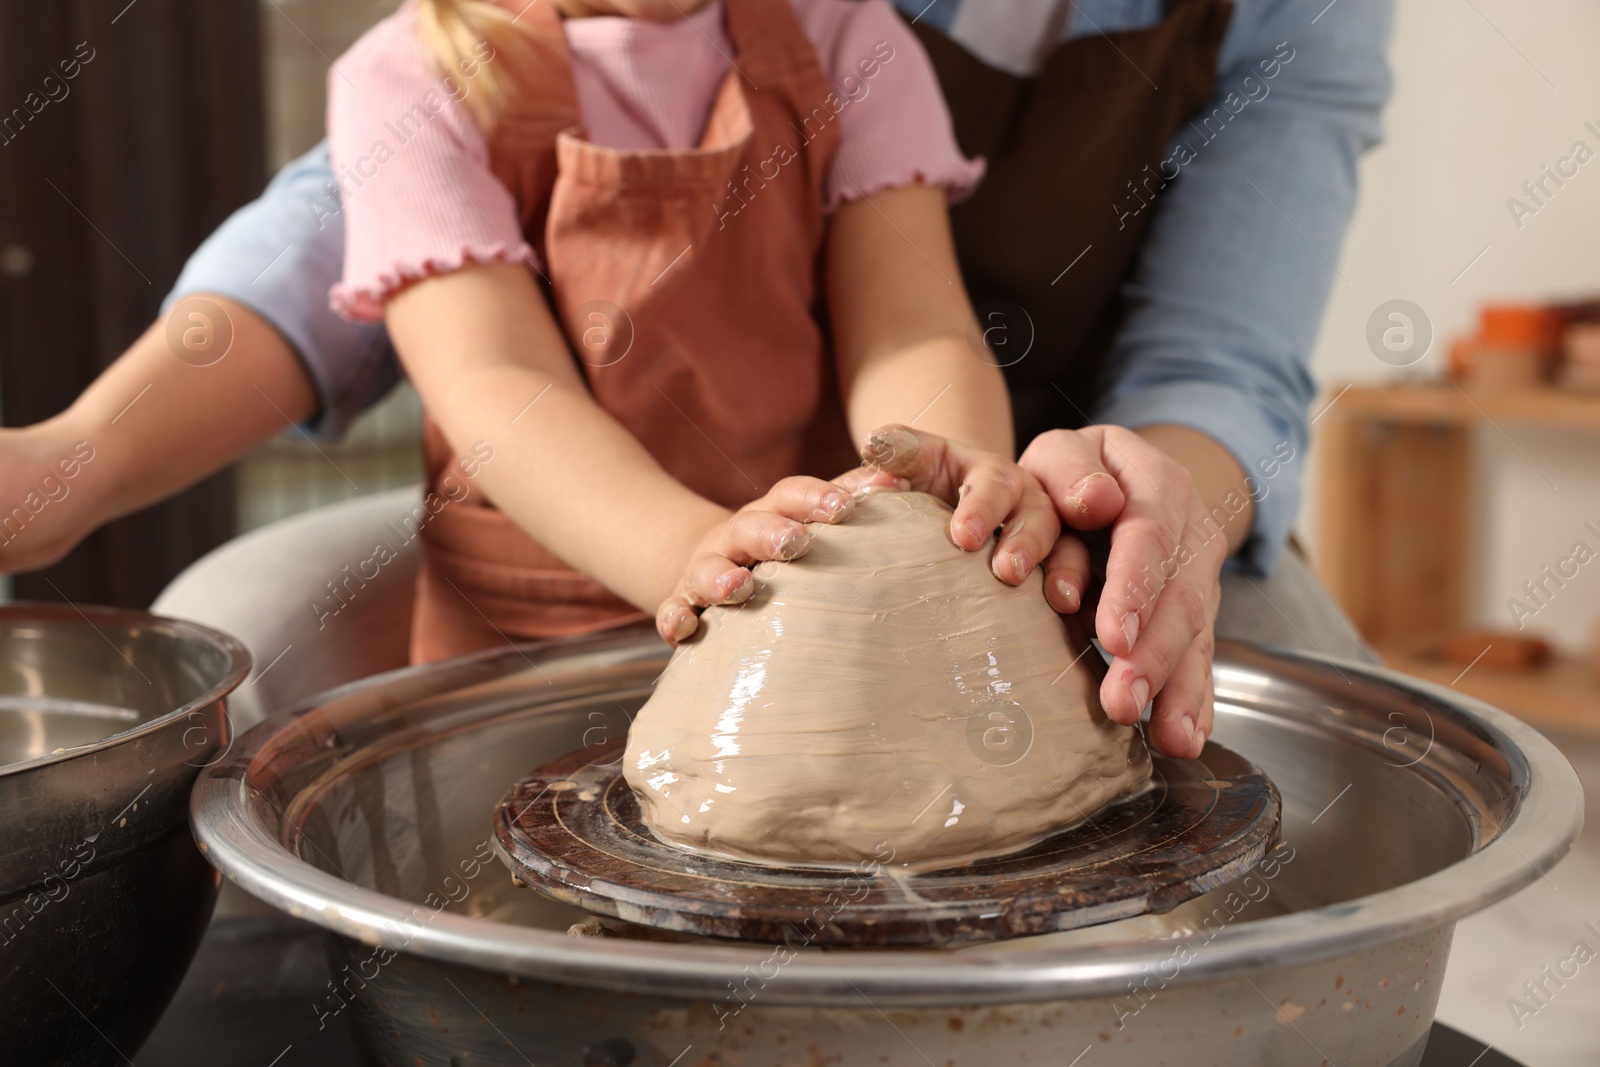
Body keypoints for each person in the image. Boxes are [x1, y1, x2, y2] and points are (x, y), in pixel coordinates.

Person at [0, 0, 1392, 760]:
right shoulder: (413, 80)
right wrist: (696, 555)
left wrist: (946, 475)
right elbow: (493, 385)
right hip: (539, 608)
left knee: (1266, 759)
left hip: (874, 528)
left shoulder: (845, 42)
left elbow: (912, 319)